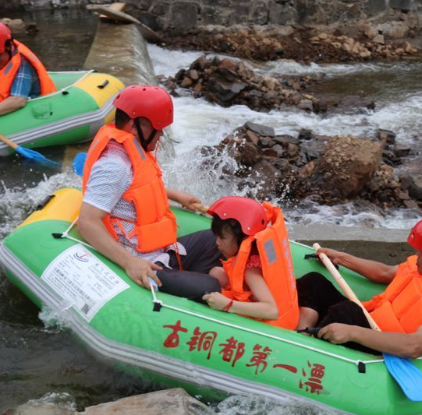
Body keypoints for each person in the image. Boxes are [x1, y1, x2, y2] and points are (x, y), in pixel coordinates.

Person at [78, 85, 222, 301]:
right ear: (136, 126)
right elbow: (87, 222)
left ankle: (185, 277)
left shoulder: (131, 150)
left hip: (161, 251)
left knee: (217, 235)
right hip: (143, 261)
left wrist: (174, 195)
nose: (162, 133)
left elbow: (135, 189)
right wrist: (129, 263)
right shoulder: (114, 165)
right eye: (158, 127)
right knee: (211, 285)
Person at [297, 219, 422, 358]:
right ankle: (302, 336)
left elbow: (414, 346)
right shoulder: (415, 265)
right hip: (370, 316)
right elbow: (384, 272)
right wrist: (341, 258)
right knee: (314, 282)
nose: (417, 256)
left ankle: (307, 353)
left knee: (347, 312)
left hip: (386, 346)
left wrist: (352, 333)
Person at [202, 196, 299, 330]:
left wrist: (227, 304)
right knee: (216, 273)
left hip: (274, 324)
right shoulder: (253, 252)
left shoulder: (251, 271)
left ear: (242, 237)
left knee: (216, 286)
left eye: (222, 237)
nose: (217, 242)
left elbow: (272, 311)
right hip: (264, 301)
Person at [0, 22, 56, 116]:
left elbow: (18, 100)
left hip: (28, 105)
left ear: (9, 47)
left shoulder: (23, 63)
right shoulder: (5, 55)